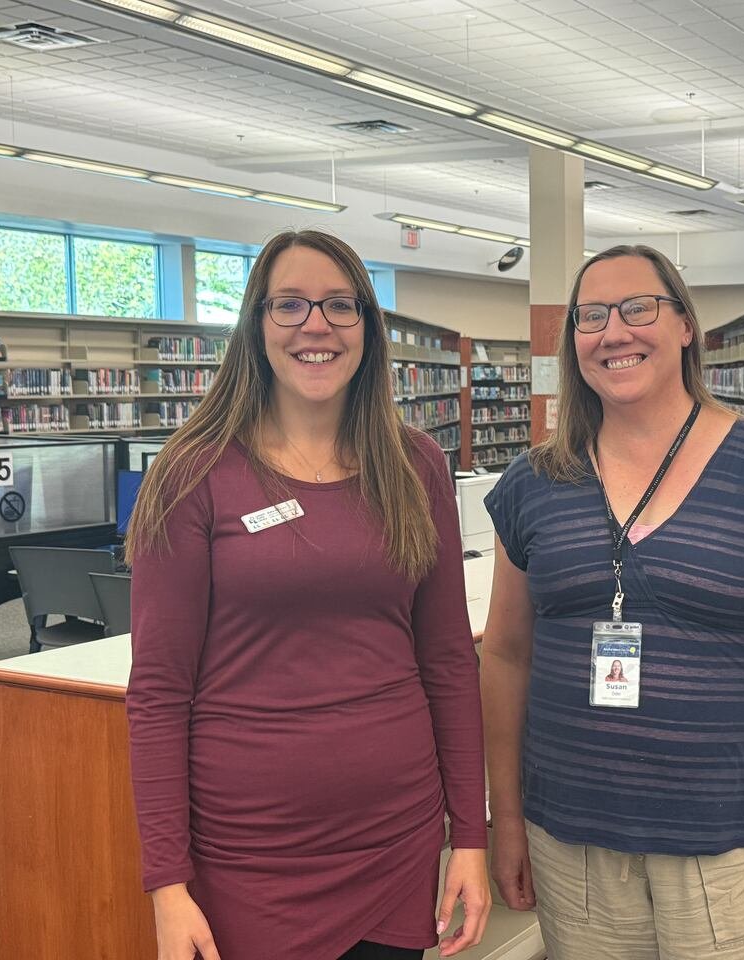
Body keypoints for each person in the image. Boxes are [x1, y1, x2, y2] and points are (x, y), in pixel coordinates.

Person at [480, 244, 744, 960]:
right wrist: (506, 820)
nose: (614, 332)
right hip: (572, 840)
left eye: (638, 308)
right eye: (591, 316)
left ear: (685, 326)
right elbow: (504, 654)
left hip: (726, 844)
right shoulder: (536, 481)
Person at [125, 230, 490, 960]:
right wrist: (167, 882)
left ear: (368, 327)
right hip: (247, 859)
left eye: (338, 306)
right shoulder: (193, 471)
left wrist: (470, 839)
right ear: (256, 325)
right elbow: (159, 690)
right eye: (289, 305)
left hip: (396, 841)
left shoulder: (414, 463)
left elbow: (449, 661)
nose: (315, 326)